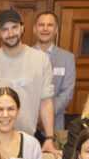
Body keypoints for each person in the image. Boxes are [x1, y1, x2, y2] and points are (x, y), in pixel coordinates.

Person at [0, 8, 54, 139]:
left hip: (30, 136)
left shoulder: (40, 59)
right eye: (5, 29)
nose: (10, 33)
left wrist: (49, 137)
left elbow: (46, 101)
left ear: (22, 28)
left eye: (14, 27)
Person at [31, 10, 78, 145]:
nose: (45, 29)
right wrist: (35, 116)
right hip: (28, 124)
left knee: (52, 158)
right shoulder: (24, 56)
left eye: (50, 25)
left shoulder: (67, 58)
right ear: (35, 29)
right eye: (41, 25)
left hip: (55, 124)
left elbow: (67, 92)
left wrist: (44, 115)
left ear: (56, 29)